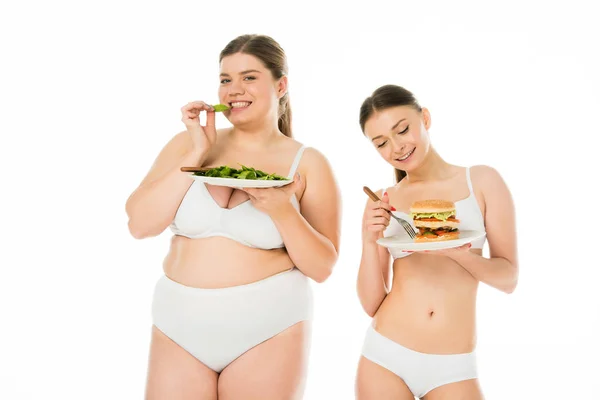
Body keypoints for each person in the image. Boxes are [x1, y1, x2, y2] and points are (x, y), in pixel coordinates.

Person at [125, 34, 341, 400]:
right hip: (179, 325)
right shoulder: (187, 145)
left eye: (249, 77)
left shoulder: (306, 163)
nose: (233, 90)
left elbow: (322, 267)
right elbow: (140, 224)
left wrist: (283, 211)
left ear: (281, 84)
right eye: (225, 79)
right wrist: (197, 151)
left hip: (268, 329)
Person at [355, 84, 518, 399]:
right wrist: (368, 240)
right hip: (385, 356)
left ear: (424, 118)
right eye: (381, 143)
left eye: (402, 130)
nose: (397, 147)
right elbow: (372, 303)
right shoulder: (385, 200)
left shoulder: (482, 182)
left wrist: (460, 255)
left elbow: (509, 279)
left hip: (452, 366)